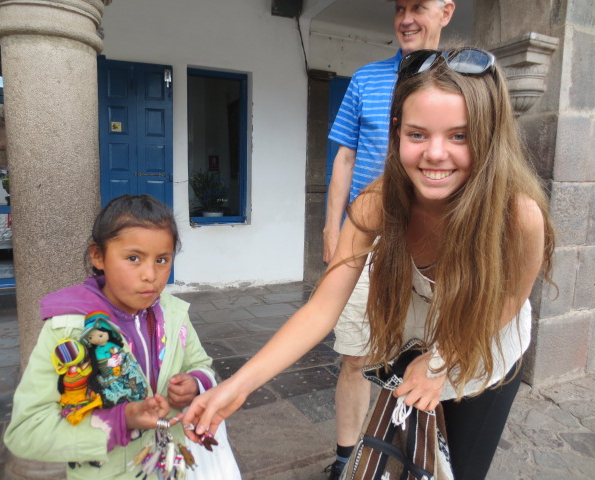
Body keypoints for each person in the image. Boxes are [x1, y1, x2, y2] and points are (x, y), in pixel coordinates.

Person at [183, 48, 556, 480]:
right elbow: (322, 308)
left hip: (483, 342)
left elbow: (508, 301)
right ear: (396, 132)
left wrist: (441, 362)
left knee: (460, 470)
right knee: (406, 460)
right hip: (420, 338)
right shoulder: (378, 203)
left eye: (460, 136)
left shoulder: (517, 215)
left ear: (490, 135)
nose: (436, 153)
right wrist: (238, 385)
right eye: (418, 135)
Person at [4, 194, 241, 479]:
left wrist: (196, 383)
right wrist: (121, 421)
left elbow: (202, 363)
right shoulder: (68, 330)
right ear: (98, 256)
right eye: (133, 258)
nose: (150, 275)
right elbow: (27, 431)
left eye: (162, 259)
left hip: (173, 467)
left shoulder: (175, 315)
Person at [323, 1, 455, 476]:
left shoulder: (466, 81)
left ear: (447, 11)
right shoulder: (366, 79)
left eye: (418, 5)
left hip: (435, 242)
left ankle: (409, 458)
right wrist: (332, 227)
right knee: (355, 353)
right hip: (367, 237)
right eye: (399, 7)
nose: (406, 17)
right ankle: (346, 461)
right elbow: (344, 158)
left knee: (430, 360)